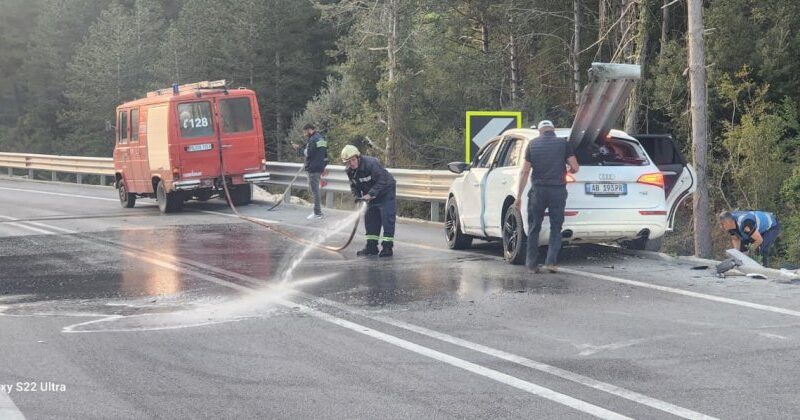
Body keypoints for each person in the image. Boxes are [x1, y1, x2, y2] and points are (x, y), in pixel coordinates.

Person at [514, 120, 579, 273]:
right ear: (553, 130)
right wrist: (569, 171)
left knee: (534, 227)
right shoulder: (563, 144)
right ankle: (551, 262)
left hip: (538, 191)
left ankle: (532, 264)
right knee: (556, 227)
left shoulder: (532, 144)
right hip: (557, 191)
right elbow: (575, 167)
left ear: (540, 131)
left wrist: (519, 196)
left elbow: (525, 171)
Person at [341, 145, 397, 257]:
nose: (352, 163)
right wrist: (357, 197)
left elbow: (382, 180)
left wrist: (371, 194)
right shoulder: (350, 171)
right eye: (348, 162)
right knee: (371, 219)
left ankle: (387, 248)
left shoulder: (371, 163)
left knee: (387, 219)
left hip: (386, 192)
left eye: (353, 160)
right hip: (370, 195)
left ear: (358, 157)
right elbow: (354, 186)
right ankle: (371, 247)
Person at [294, 124, 328, 219]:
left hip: (313, 168)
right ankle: (317, 211)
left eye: (305, 132)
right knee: (315, 190)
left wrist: (298, 149)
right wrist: (322, 166)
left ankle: (317, 213)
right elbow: (325, 155)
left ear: (309, 130)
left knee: (314, 191)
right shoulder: (321, 138)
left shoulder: (313, 140)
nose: (304, 134)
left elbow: (308, 153)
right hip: (319, 167)